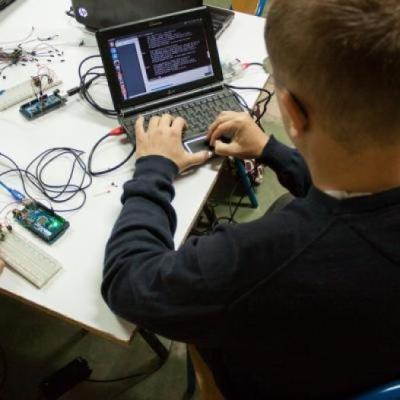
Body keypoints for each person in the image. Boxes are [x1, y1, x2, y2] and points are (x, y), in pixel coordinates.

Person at [101, 0, 400, 398]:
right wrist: (272, 151)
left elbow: (127, 282)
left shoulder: (257, 259)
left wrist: (153, 169)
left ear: (290, 110)